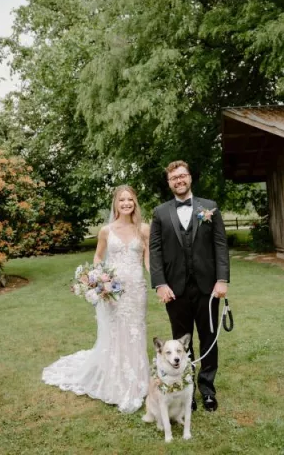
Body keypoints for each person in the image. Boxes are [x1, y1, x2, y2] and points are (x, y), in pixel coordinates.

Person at [42, 185, 150, 413]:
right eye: (122, 200)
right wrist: (98, 280)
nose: (126, 203)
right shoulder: (106, 231)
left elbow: (148, 260)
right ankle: (114, 380)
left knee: (135, 331)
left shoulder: (144, 229)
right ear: (115, 203)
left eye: (130, 199)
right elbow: (99, 256)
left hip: (136, 289)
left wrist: (160, 282)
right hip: (112, 289)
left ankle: (137, 379)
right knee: (115, 331)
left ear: (135, 203)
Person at [149, 160, 230, 412]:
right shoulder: (160, 213)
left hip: (208, 288)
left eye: (182, 176)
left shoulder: (210, 207)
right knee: (181, 344)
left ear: (190, 178)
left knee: (208, 339)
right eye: (174, 178)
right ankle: (188, 391)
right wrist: (160, 283)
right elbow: (155, 250)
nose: (179, 181)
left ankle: (207, 390)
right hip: (175, 290)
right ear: (169, 182)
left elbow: (220, 245)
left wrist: (222, 279)